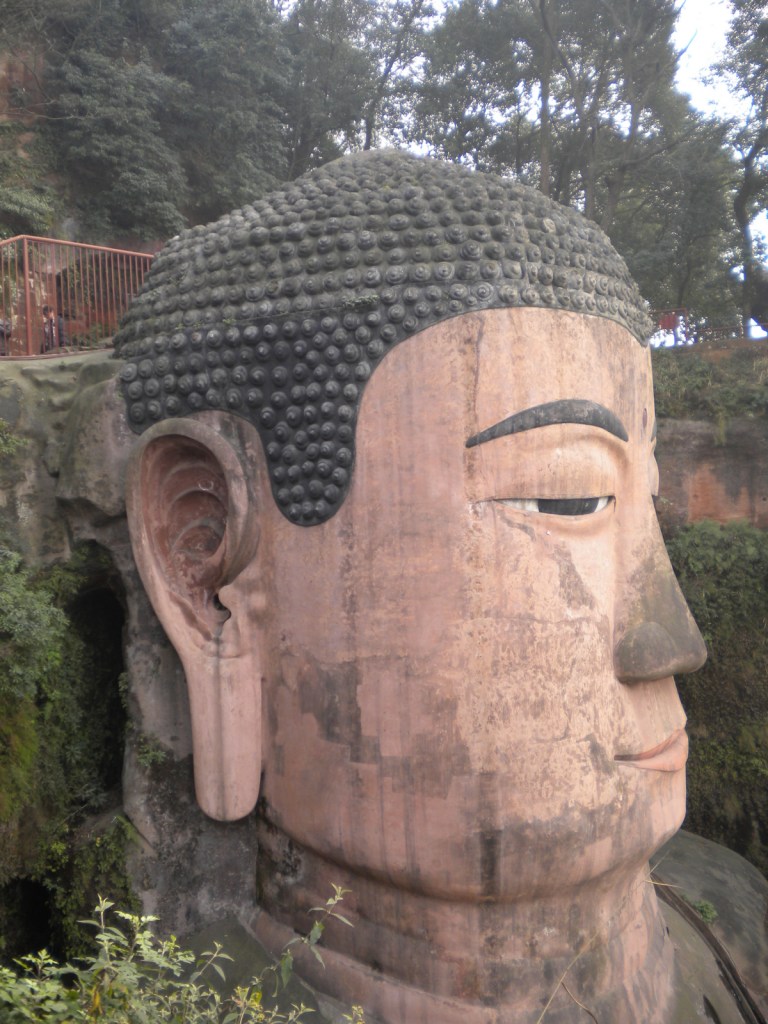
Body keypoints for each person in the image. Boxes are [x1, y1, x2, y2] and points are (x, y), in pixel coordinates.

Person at [113, 152, 735, 1022]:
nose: (676, 641)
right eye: (568, 495)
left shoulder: (739, 922)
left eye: (649, 505)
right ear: (206, 564)